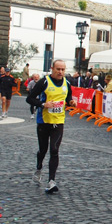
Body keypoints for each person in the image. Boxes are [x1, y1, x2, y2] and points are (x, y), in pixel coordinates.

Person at [26, 60, 76, 194]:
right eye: (58, 69)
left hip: (58, 122)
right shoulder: (44, 82)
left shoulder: (67, 83)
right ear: (52, 68)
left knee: (54, 149)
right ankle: (39, 167)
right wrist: (43, 104)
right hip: (43, 122)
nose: (60, 72)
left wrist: (71, 101)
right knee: (43, 150)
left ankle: (51, 181)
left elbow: (68, 96)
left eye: (63, 70)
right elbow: (29, 98)